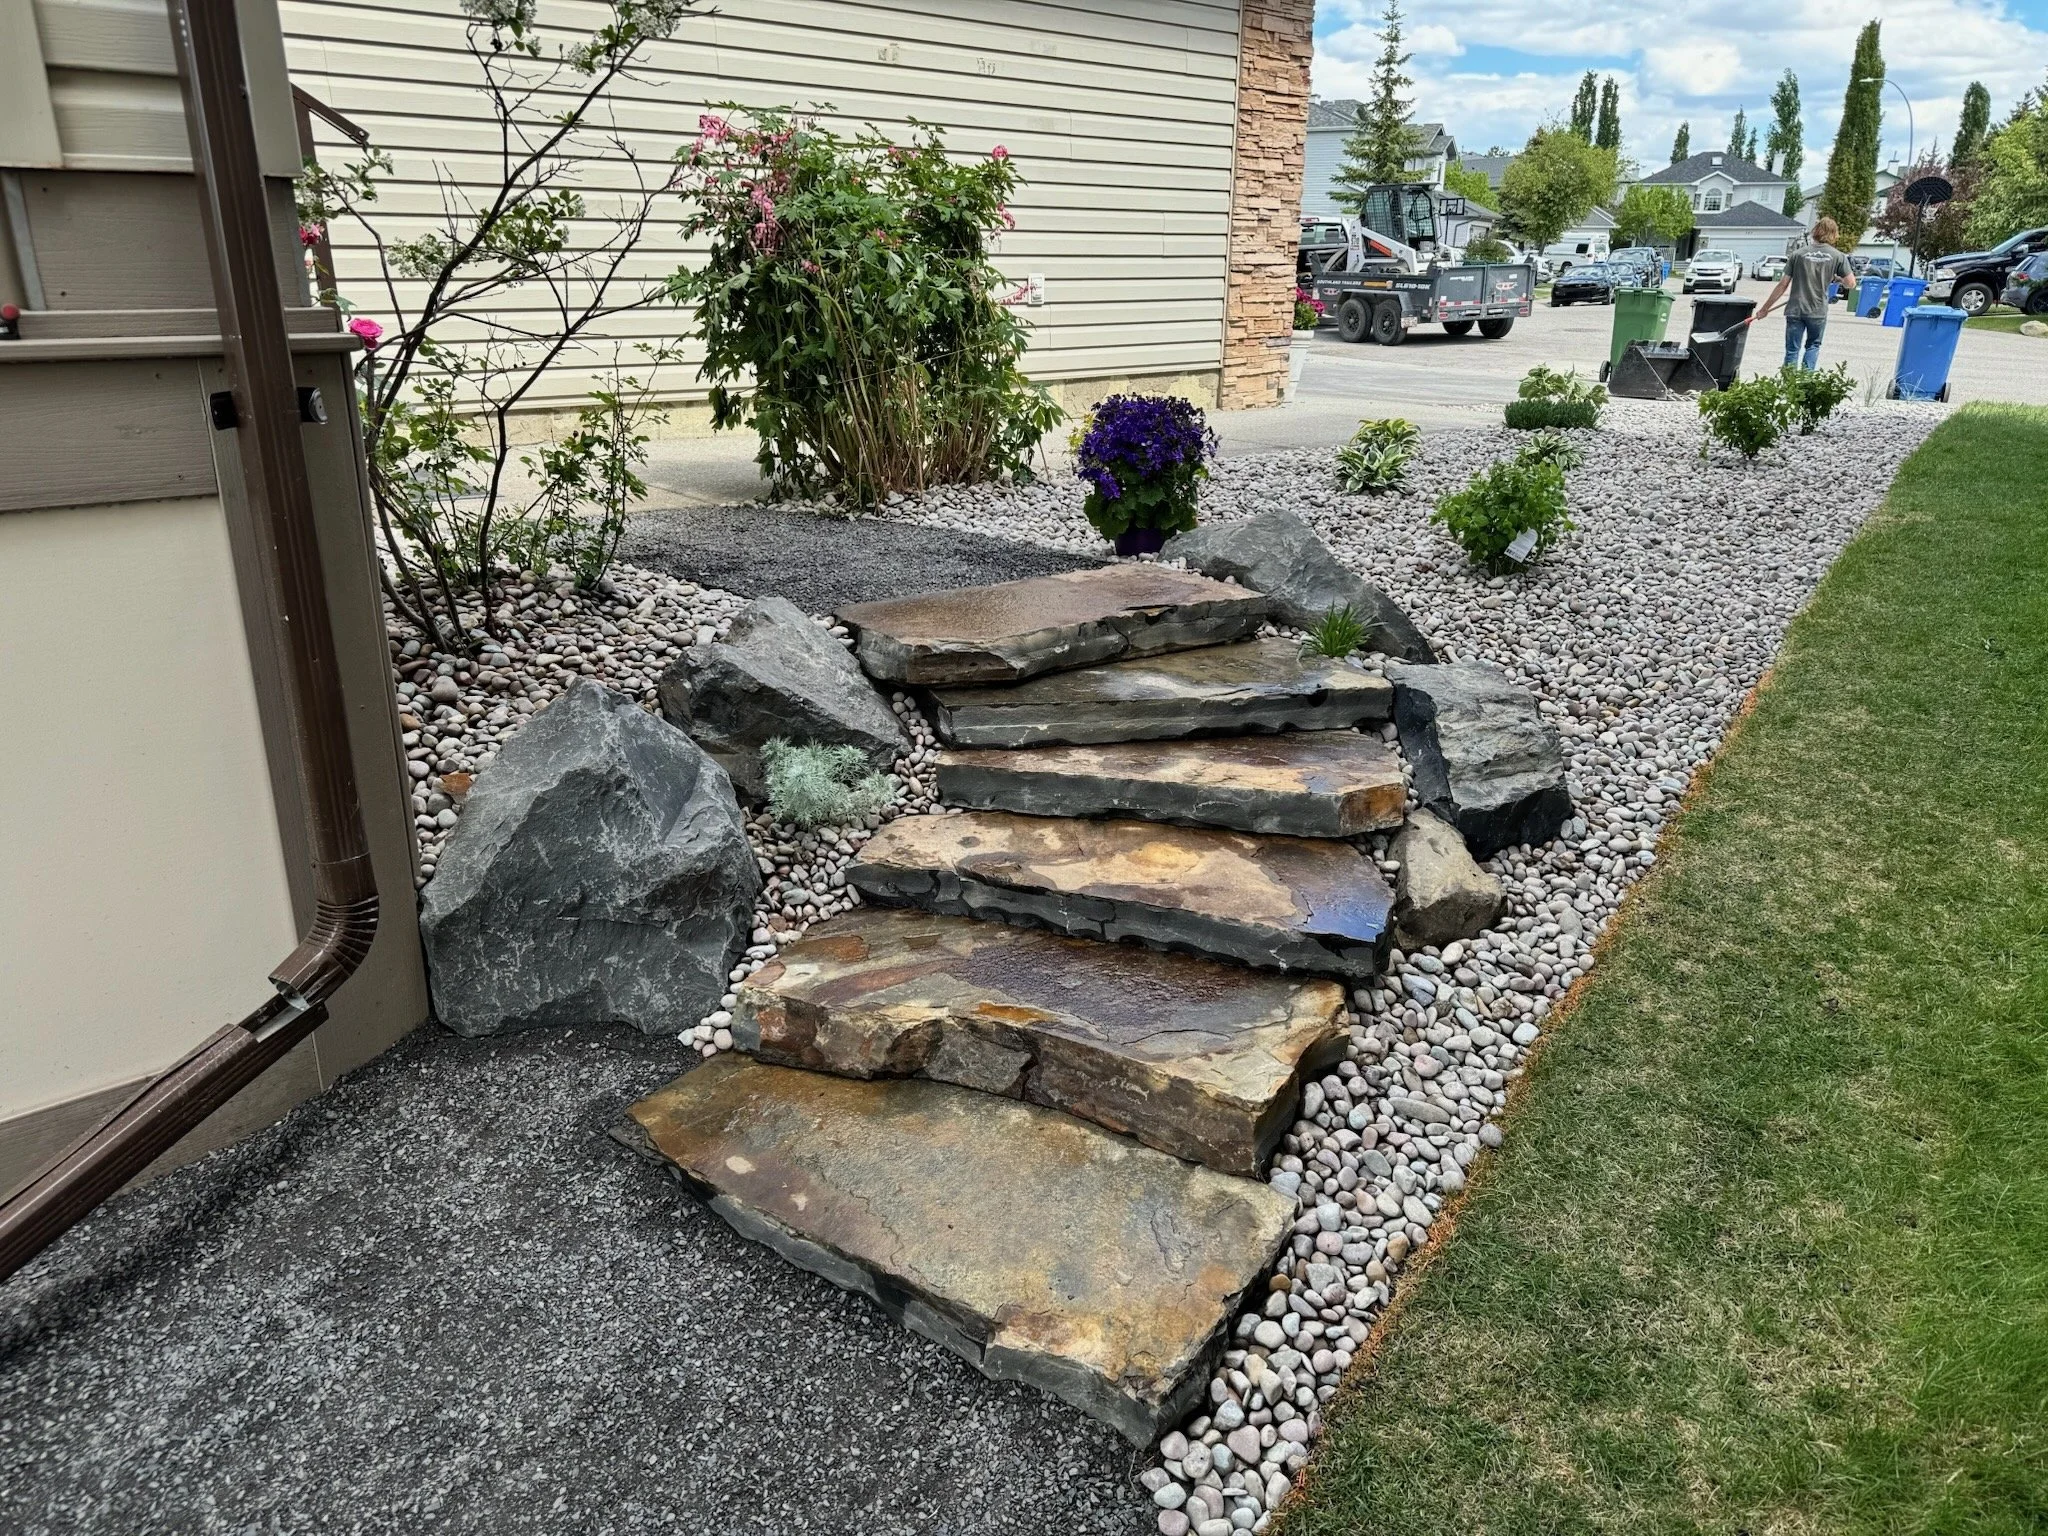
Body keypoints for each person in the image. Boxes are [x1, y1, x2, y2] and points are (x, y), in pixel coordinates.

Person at [1754, 218, 1858, 370]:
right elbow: (1851, 283)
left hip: (1795, 309)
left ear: (1815, 231)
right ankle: (1804, 385)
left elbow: (1783, 284)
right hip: (1817, 311)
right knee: (1813, 346)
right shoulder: (1838, 256)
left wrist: (1765, 309)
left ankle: (1789, 388)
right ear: (1833, 234)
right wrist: (1837, 279)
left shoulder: (1798, 254)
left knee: (1792, 350)